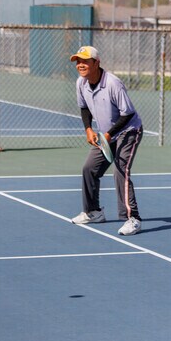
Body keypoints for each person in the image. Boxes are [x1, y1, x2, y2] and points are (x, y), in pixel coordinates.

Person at [69, 46, 144, 236]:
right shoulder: (81, 83)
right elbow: (84, 108)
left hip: (129, 131)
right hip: (106, 134)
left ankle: (132, 218)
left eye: (85, 61)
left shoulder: (113, 83)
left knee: (120, 171)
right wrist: (88, 129)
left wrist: (109, 135)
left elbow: (128, 114)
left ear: (96, 63)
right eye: (78, 61)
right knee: (89, 169)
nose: (81, 65)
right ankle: (93, 212)